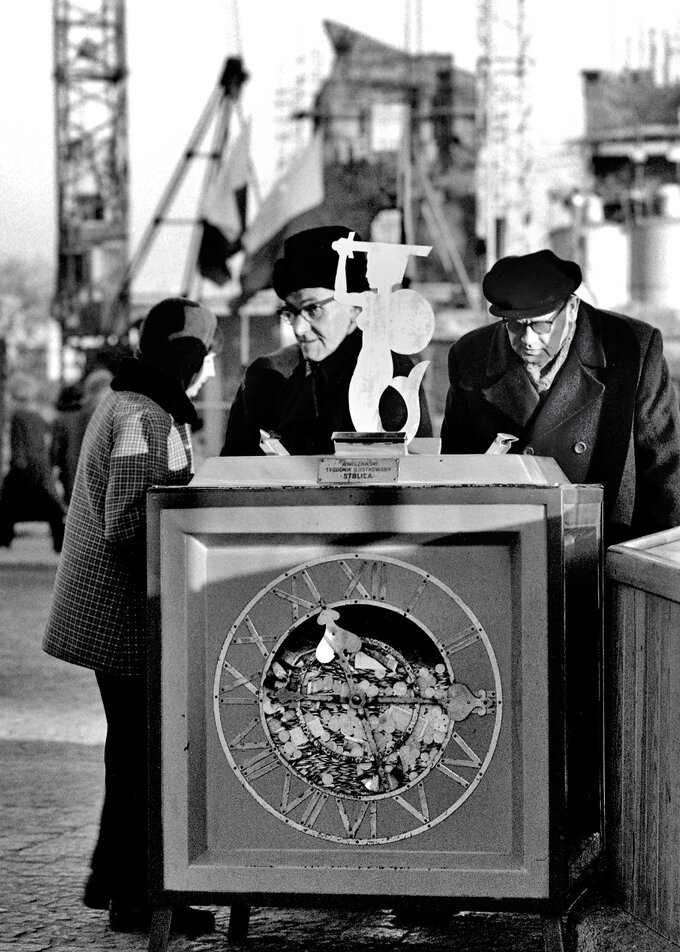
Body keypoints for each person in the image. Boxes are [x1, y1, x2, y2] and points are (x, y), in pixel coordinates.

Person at [42, 298, 218, 936]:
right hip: (120, 619)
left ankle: (117, 883)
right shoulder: (146, 415)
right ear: (188, 356)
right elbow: (126, 522)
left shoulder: (128, 401)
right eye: (207, 352)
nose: (210, 367)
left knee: (132, 753)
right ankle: (137, 896)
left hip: (113, 616)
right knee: (145, 756)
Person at [440, 248, 680, 545]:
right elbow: (452, 471)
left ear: (572, 308)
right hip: (509, 548)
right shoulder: (470, 356)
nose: (527, 340)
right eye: (514, 325)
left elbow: (667, 472)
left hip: (607, 548)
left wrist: (651, 572)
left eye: (542, 325)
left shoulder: (632, 349)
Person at [221, 225, 432, 455]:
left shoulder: (391, 374)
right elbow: (232, 474)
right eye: (291, 312)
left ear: (356, 308)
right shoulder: (267, 376)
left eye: (312, 310)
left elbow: (412, 475)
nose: (300, 329)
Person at [0, 373, 66, 551]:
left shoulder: (17, 416)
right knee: (52, 507)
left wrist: (17, 464)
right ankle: (60, 542)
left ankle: (4, 539)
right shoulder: (37, 416)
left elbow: (18, 444)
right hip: (40, 466)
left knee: (6, 505)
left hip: (23, 466)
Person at [51, 369, 113, 505]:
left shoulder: (65, 421)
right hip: (101, 499)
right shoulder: (108, 419)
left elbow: (55, 462)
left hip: (73, 497)